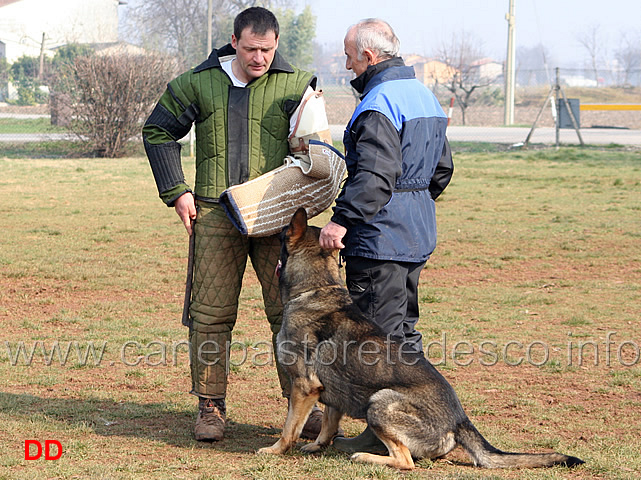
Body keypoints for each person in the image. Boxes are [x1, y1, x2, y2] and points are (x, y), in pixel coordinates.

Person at [143, 7, 326, 442]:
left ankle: (302, 405)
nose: (259, 58)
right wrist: (177, 191)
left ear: (276, 44)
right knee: (209, 313)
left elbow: (316, 150)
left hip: (277, 217)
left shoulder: (299, 85)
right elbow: (158, 131)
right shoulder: (198, 82)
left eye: (266, 49)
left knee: (289, 313)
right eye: (250, 49)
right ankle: (210, 407)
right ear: (233, 41)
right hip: (214, 214)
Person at [319, 18, 454, 453]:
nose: (346, 63)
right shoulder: (424, 96)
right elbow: (442, 171)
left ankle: (384, 437)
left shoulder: (378, 102)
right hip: (416, 234)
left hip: (380, 239)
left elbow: (375, 176)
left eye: (349, 55)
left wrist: (342, 220)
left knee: (376, 337)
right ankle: (427, 427)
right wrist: (413, 207)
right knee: (404, 335)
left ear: (369, 56)